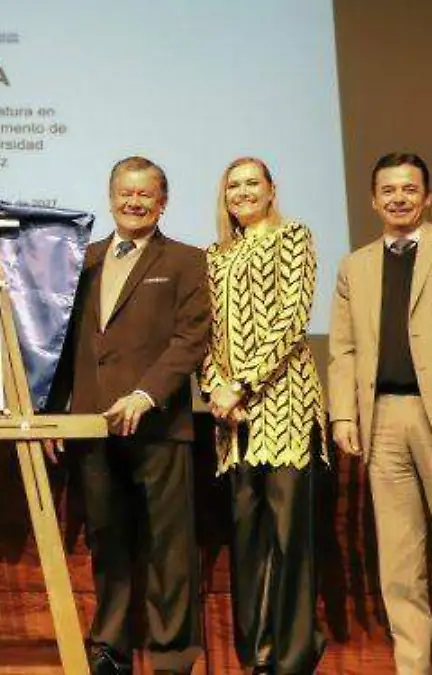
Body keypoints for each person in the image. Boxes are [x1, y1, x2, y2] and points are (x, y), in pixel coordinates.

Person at [48, 156, 208, 674]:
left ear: (163, 202)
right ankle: (110, 649)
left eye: (145, 194)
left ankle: (171, 656)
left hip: (159, 426)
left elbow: (191, 340)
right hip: (92, 426)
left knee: (169, 548)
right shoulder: (84, 261)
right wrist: (52, 413)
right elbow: (62, 346)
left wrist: (146, 394)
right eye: (126, 193)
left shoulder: (187, 260)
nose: (134, 202)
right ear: (111, 196)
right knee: (106, 540)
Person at [201, 157, 326, 673]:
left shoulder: (294, 237)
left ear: (272, 189)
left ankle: (292, 659)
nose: (243, 192)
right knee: (248, 539)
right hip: (233, 421)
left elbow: (292, 320)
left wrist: (242, 384)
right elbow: (208, 333)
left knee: (289, 537)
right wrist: (215, 388)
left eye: (253, 182)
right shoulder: (215, 255)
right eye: (234, 185)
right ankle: (256, 656)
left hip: (286, 407)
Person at [329, 152, 432, 674]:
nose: (398, 198)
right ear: (373, 200)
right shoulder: (356, 265)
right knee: (400, 560)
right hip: (382, 419)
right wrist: (343, 415)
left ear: (427, 197)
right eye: (388, 190)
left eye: (409, 189)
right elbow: (343, 348)